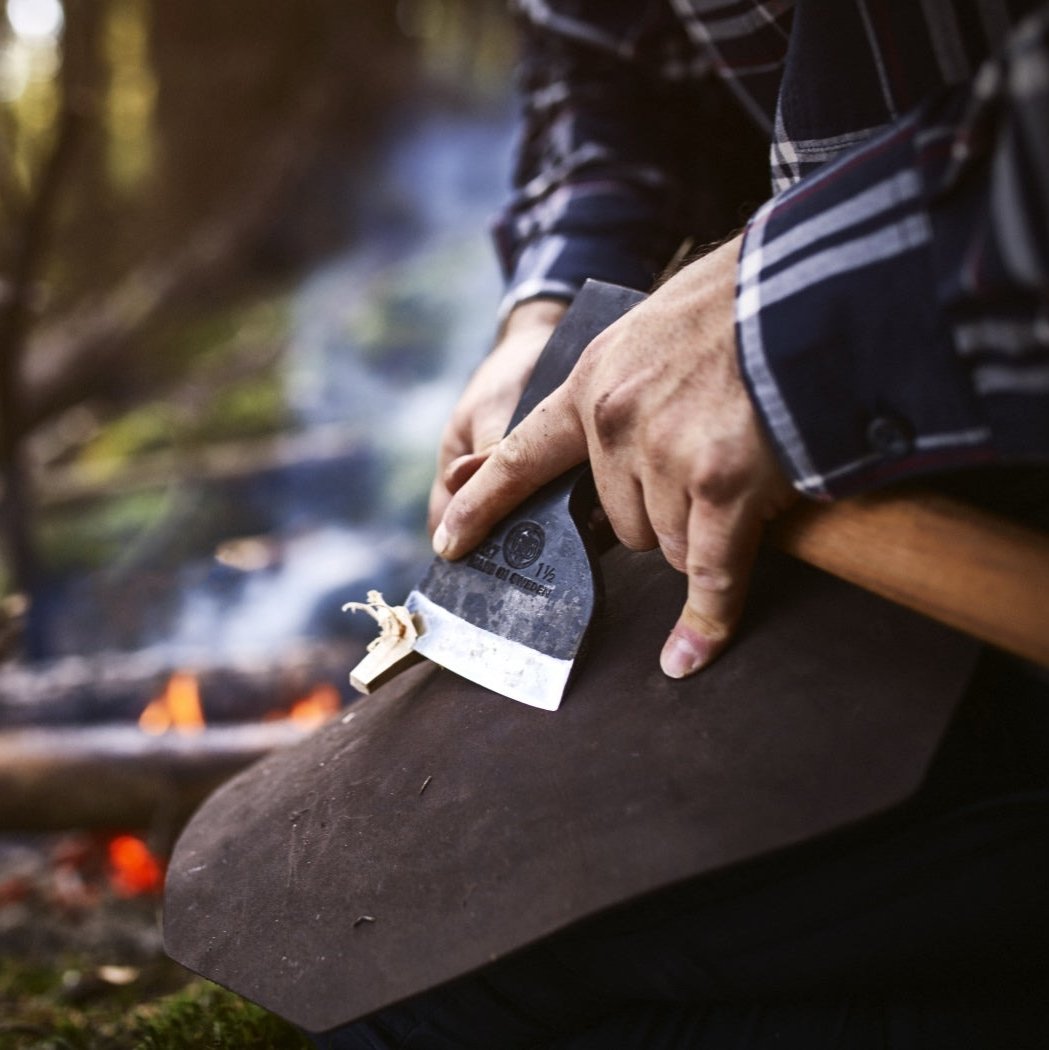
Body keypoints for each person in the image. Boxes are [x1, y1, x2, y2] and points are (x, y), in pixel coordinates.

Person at [315, 2, 1049, 1045]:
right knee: (366, 958)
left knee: (435, 994)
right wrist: (553, 313)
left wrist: (787, 306)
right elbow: (614, 66)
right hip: (853, 529)